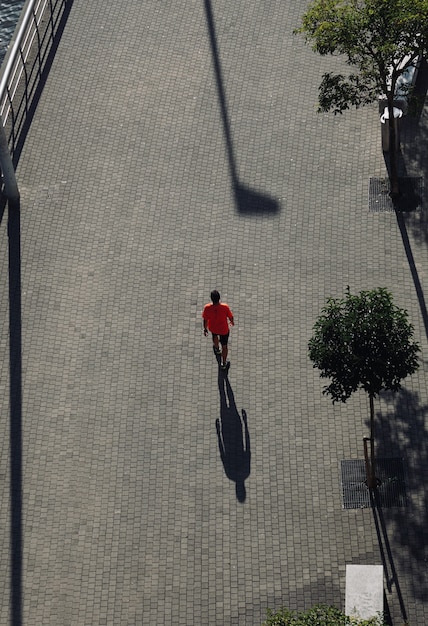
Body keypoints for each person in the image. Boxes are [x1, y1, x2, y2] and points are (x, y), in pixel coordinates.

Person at [202, 290, 234, 370]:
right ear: (219, 298)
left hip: (213, 328)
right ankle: (223, 362)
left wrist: (205, 329)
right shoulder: (224, 307)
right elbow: (230, 316)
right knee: (224, 345)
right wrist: (232, 322)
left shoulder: (207, 308)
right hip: (223, 329)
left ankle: (216, 348)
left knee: (214, 336)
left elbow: (205, 320)